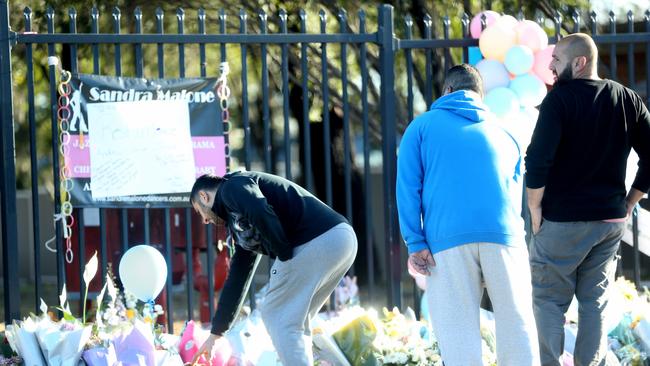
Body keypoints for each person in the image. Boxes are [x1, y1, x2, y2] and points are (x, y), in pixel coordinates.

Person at [396, 64, 540, 366]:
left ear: (447, 90)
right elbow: (515, 195)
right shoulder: (507, 131)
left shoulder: (421, 128)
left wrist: (415, 242)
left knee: (457, 332)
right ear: (481, 94)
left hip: (447, 239)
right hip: (505, 238)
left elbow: (408, 188)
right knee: (517, 324)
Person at [525, 33, 650, 365]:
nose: (550, 66)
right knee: (594, 302)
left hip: (562, 221)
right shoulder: (627, 98)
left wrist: (534, 207)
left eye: (556, 60)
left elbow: (537, 160)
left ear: (579, 63)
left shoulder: (559, 101)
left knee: (549, 301)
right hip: (609, 221)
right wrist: (629, 202)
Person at [189, 171, 357, 365]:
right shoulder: (238, 218)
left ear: (204, 196)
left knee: (277, 315)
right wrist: (216, 333)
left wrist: (284, 255)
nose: (204, 220)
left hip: (316, 241)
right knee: (297, 321)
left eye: (199, 212)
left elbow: (259, 209)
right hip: (341, 239)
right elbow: (238, 276)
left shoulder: (231, 188)